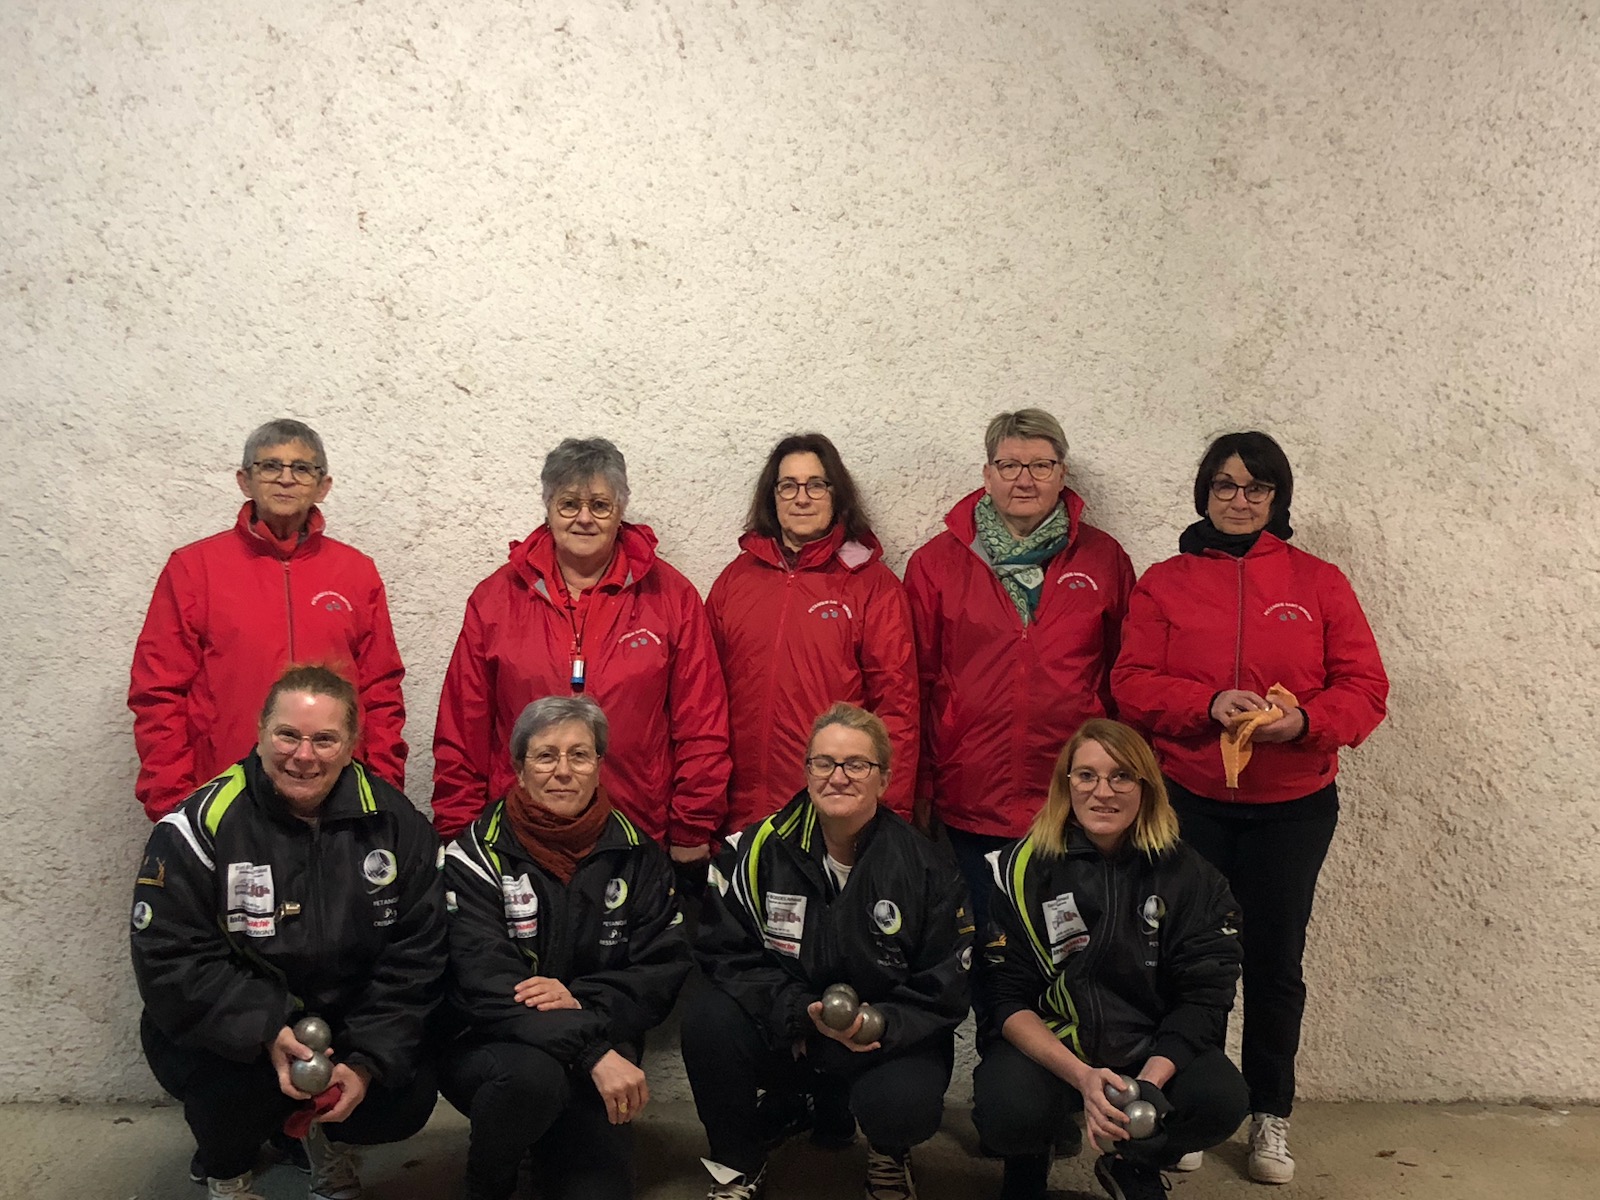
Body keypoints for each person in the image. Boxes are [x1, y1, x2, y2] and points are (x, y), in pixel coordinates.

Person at [1111, 431, 1388, 1184]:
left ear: (1277, 498)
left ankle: (1271, 1114)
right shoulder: (1165, 582)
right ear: (1204, 491)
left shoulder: (1320, 582)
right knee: (1188, 962)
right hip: (1191, 801)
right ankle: (1198, 1106)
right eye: (1226, 485)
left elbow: (1365, 691)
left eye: (1255, 488)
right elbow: (1130, 683)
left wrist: (1306, 722)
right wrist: (1203, 703)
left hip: (1292, 806)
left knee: (1275, 961)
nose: (1239, 500)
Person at [130, 665, 445, 1200]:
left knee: (406, 1094)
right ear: (259, 732)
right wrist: (265, 1029)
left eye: (325, 739)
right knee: (228, 1083)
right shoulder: (198, 824)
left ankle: (318, 1137)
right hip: (239, 1029)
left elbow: (417, 961)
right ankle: (226, 1166)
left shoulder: (396, 825)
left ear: (351, 746)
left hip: (344, 1024)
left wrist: (367, 1062)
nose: (304, 755)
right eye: (288, 735)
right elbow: (170, 958)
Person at [682, 703, 973, 1200]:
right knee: (707, 1016)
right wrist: (798, 1012)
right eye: (824, 763)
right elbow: (725, 954)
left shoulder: (927, 869)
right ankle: (738, 1165)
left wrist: (879, 1021)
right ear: (807, 771)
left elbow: (944, 985)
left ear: (883, 779)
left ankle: (887, 1152)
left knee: (902, 1103)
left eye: (857, 764)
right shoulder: (753, 851)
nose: (838, 777)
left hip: (880, 1038)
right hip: (791, 1027)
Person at [973, 719, 1248, 1200]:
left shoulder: (1192, 877)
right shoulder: (1020, 869)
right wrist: (1081, 1077)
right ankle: (1027, 1160)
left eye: (1121, 776)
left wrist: (1145, 1086)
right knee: (1005, 1107)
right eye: (1086, 776)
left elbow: (1206, 997)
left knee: (1222, 1100)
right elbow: (1003, 997)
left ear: (1146, 787)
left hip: (1147, 1049)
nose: (1103, 792)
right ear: (1066, 785)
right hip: (1059, 1045)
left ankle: (1133, 1162)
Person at [431, 437, 731, 867]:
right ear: (548, 507)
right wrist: (460, 832)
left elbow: (701, 723)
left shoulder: (672, 598)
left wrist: (692, 826)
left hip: (637, 832)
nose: (584, 519)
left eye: (600, 505)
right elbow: (462, 727)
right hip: (517, 835)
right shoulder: (495, 599)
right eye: (569, 504)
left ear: (621, 509)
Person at [437, 695, 691, 1200]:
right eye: (545, 755)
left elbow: (660, 969)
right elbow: (481, 979)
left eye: (579, 755)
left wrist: (580, 1004)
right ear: (518, 768)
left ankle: (551, 1144)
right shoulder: (472, 854)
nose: (563, 770)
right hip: (498, 1047)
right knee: (533, 1082)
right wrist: (591, 1048)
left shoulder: (640, 856)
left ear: (599, 765)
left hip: (599, 1033)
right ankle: (489, 1178)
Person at [904, 409, 1134, 930]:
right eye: (1009, 465)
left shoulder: (1104, 560)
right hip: (971, 793)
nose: (1024, 480)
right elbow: (913, 684)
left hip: (1075, 794)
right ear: (987, 474)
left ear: (1062, 474)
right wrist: (915, 788)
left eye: (1040, 465)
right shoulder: (936, 564)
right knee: (988, 950)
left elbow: (1126, 678)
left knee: (1074, 949)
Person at [129, 418, 407, 822]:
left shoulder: (356, 572)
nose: (285, 479)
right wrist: (175, 805)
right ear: (245, 480)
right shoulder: (194, 569)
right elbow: (158, 693)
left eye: (301, 468)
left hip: (335, 796)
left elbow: (381, 691)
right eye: (270, 466)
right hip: (223, 795)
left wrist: (378, 787)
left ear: (322, 486)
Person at [705, 433, 919, 833]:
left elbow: (897, 710)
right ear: (772, 496)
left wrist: (891, 819)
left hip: (833, 814)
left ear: (836, 494)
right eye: (788, 486)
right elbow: (701, 702)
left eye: (815, 485)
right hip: (741, 813)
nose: (801, 498)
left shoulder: (872, 585)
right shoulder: (735, 581)